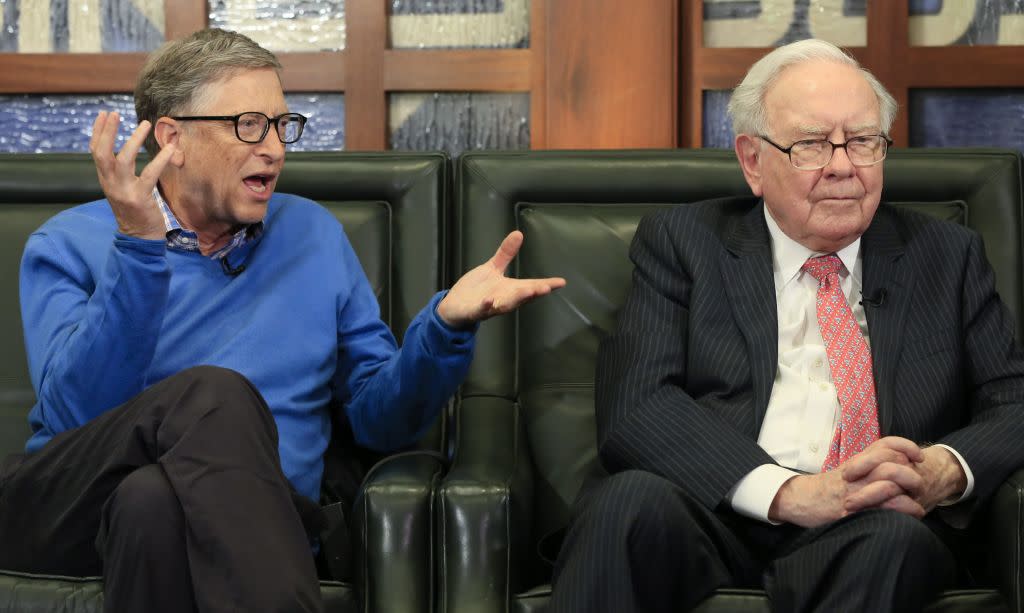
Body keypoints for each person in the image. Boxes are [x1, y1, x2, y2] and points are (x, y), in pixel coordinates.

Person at [0, 28, 565, 613]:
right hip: (69, 506)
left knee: (153, 502)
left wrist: (446, 326)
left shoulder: (313, 235)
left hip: (250, 518)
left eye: (281, 124)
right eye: (248, 125)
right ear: (172, 139)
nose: (273, 147)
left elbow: (379, 422)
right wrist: (141, 251)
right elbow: (75, 416)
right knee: (213, 395)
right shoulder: (70, 242)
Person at [549, 38, 1024, 612]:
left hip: (871, 523)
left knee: (898, 544)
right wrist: (791, 494)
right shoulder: (683, 243)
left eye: (864, 142)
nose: (844, 166)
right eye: (813, 145)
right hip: (718, 508)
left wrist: (942, 470)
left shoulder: (947, 256)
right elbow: (638, 404)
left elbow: (1013, 402)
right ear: (753, 161)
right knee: (625, 505)